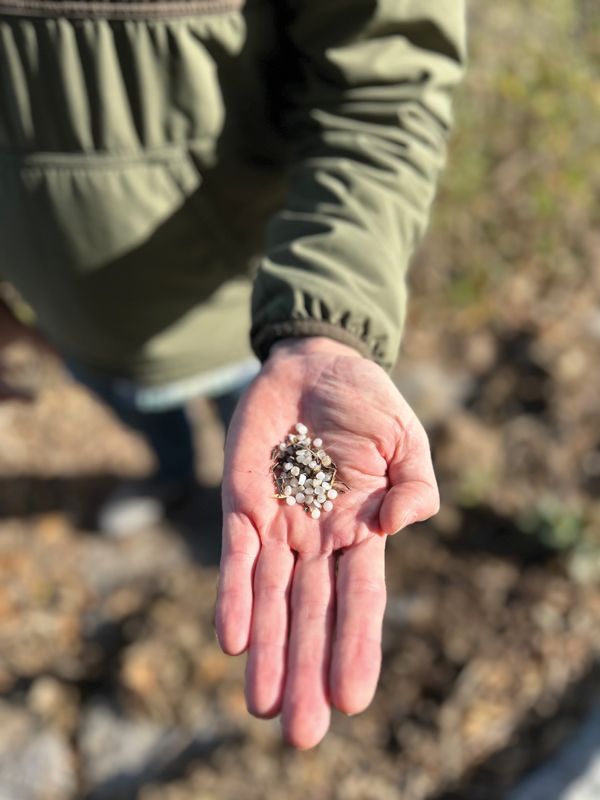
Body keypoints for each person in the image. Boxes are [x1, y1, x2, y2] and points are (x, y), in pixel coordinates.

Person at [0, 0, 467, 748]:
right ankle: (169, 474)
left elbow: (387, 82)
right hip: (71, 327)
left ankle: (211, 480)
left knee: (240, 429)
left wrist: (324, 322)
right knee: (139, 416)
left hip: (251, 326)